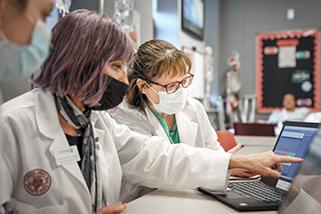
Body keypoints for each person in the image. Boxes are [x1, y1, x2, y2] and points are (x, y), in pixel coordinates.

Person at [0, 10, 302, 214]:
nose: (123, 79)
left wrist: (235, 161)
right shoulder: (11, 126)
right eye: (116, 66)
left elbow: (157, 156)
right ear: (80, 63)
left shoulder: (96, 121)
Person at [109, 39, 250, 202]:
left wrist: (227, 165)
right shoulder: (125, 115)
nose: (180, 91)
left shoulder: (193, 108)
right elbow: (158, 167)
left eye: (184, 81)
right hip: (144, 202)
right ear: (143, 86)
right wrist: (222, 164)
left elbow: (212, 149)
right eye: (170, 85)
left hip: (191, 199)